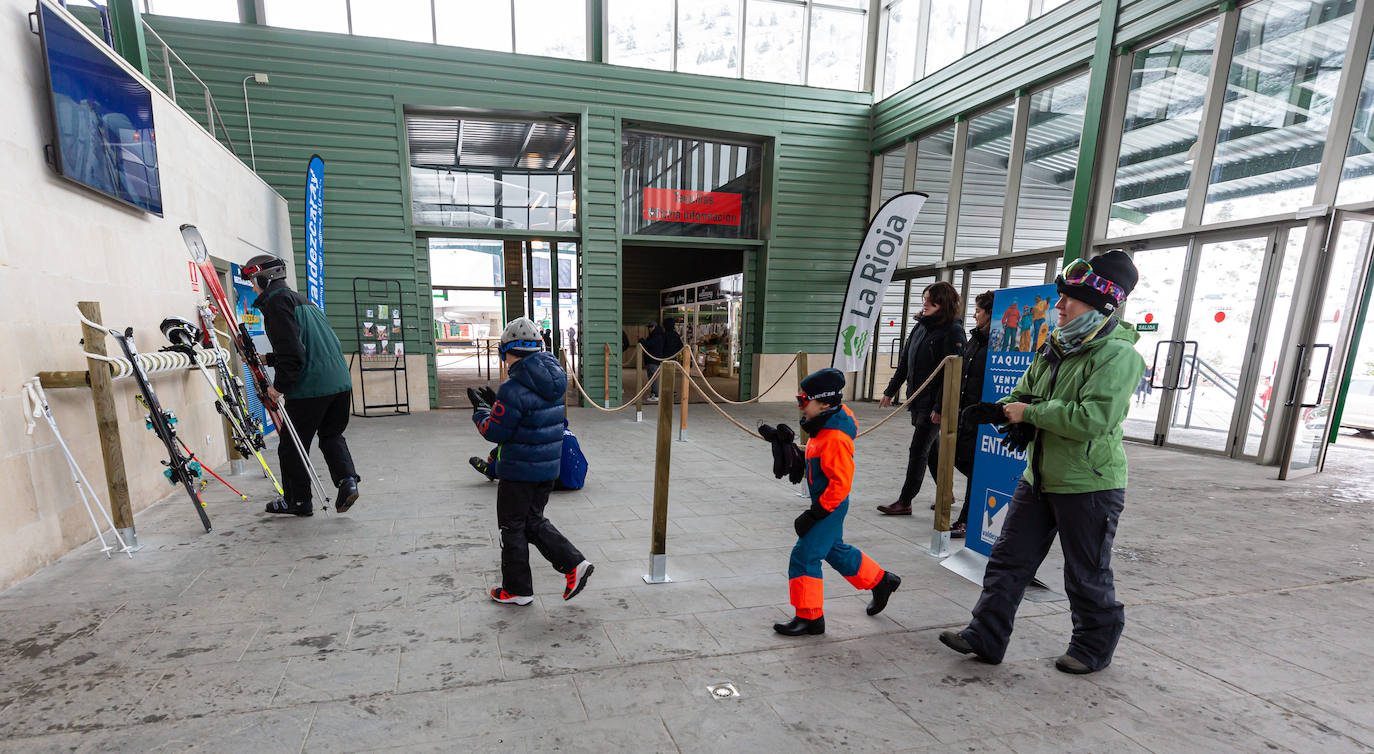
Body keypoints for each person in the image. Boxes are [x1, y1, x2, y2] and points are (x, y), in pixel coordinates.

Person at [940, 249, 1144, 675]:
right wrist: (1001, 410)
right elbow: (1026, 392)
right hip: (1039, 477)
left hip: (1089, 483)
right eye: (1061, 296)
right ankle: (986, 634)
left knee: (1085, 573)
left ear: (1102, 305)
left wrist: (1029, 414)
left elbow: (1095, 418)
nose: (1059, 306)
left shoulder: (1118, 356)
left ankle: (1092, 646)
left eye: (1072, 299)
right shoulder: (1055, 346)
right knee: (1008, 561)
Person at [471, 317, 593, 606]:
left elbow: (495, 432)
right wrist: (499, 404)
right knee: (532, 522)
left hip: (518, 471)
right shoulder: (552, 380)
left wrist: (481, 412)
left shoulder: (513, 388)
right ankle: (574, 564)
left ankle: (517, 590)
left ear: (506, 352)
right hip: (547, 470)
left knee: (512, 527)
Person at [776, 368, 902, 636]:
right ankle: (881, 581)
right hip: (827, 504)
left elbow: (841, 482)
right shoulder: (822, 427)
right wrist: (795, 457)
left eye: (803, 401)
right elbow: (819, 462)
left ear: (823, 403)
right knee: (834, 550)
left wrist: (816, 512)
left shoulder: (834, 436)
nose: (800, 406)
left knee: (804, 556)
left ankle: (810, 618)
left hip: (829, 506)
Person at [242, 255, 359, 517]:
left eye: (253, 281)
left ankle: (298, 501)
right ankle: (347, 481)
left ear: (264, 279)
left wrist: (278, 387)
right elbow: (307, 344)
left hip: (311, 387)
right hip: (339, 382)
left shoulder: (276, 304)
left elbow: (294, 353)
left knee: (292, 445)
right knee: (331, 435)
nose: (252, 288)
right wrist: (269, 359)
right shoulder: (304, 300)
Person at [877, 282, 965, 516]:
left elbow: (952, 375)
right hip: (918, 400)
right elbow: (906, 361)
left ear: (943, 303)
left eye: (931, 300)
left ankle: (905, 501)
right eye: (924, 298)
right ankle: (947, 492)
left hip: (934, 405)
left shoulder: (953, 331)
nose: (925, 304)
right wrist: (890, 390)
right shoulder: (920, 327)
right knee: (932, 449)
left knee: (918, 450)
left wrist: (940, 406)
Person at [950, 290, 995, 539]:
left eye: (978, 311)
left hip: (982, 414)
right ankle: (976, 496)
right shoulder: (975, 339)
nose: (974, 315)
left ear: (990, 314)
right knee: (952, 456)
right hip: (965, 411)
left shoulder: (996, 343)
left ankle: (967, 519)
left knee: (976, 467)